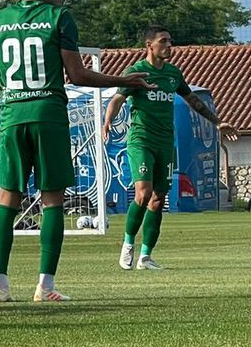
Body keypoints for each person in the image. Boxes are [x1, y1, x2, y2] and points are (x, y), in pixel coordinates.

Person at [0, 0, 153, 303]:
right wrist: (124, 80)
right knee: (52, 199)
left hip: (11, 117)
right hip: (48, 114)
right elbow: (79, 76)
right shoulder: (59, 18)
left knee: (7, 199)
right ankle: (45, 285)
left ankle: (0, 285)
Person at [103, 26, 240, 270]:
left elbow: (193, 100)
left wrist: (218, 122)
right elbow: (117, 99)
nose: (169, 45)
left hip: (165, 142)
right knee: (143, 193)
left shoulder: (173, 74)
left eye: (171, 41)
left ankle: (146, 257)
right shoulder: (136, 72)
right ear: (149, 45)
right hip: (141, 139)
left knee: (158, 199)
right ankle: (127, 244)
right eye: (163, 41)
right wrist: (107, 122)